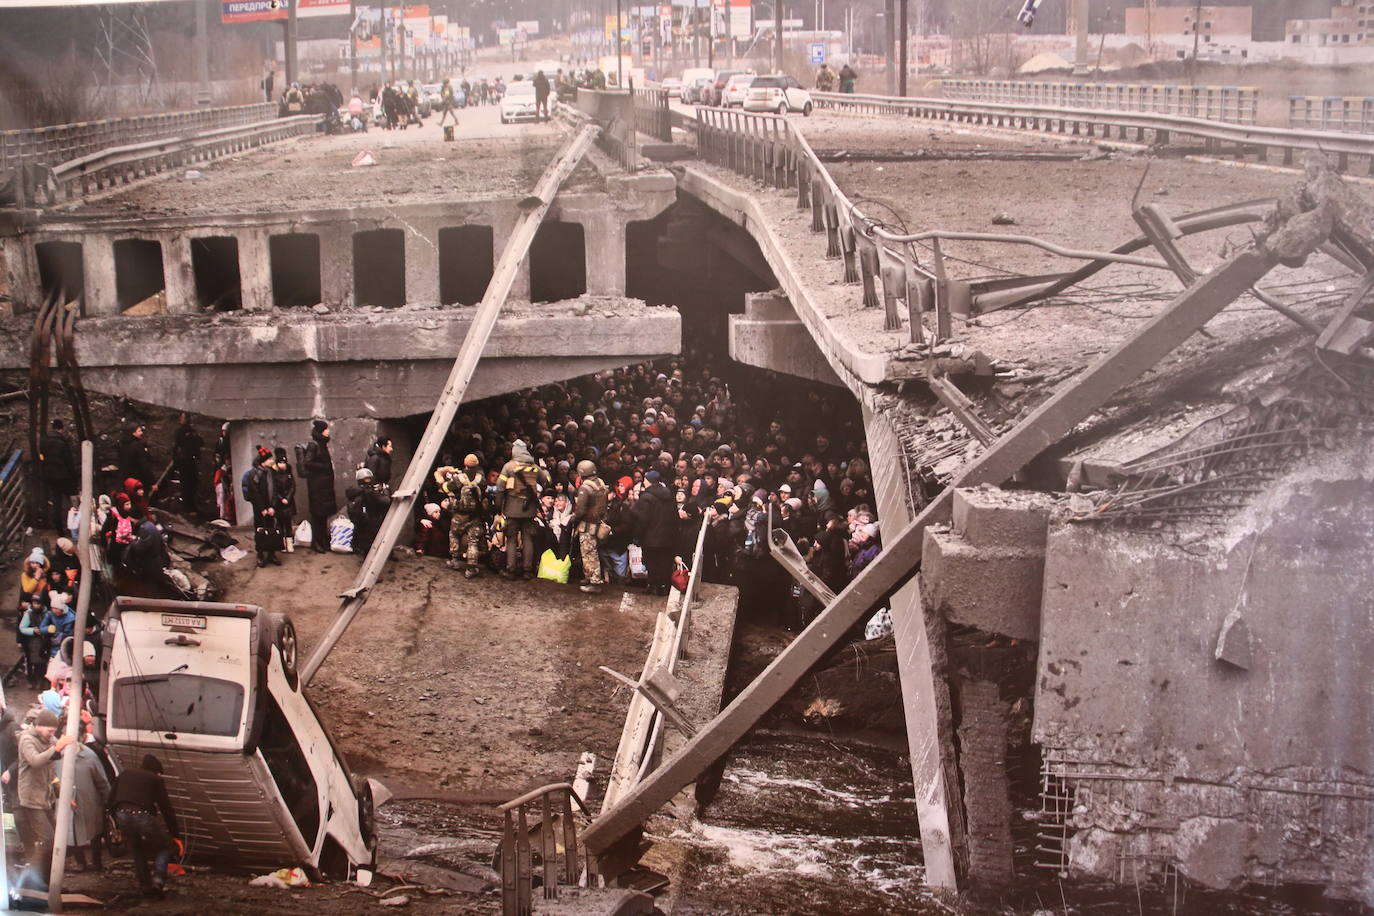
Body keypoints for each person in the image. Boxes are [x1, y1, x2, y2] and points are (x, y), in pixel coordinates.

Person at [109, 754, 181, 896]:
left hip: (121, 813)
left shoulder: (125, 774)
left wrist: (114, 825)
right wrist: (175, 834)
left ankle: (145, 885)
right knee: (165, 846)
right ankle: (158, 880)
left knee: (136, 847)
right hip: (142, 815)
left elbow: (110, 799)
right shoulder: (155, 779)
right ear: (156, 770)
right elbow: (166, 808)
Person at [17, 708, 74, 880]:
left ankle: (47, 881)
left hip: (45, 798)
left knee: (55, 840)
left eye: (54, 732)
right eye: (50, 731)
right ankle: (30, 877)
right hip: (32, 800)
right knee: (48, 840)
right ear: (39, 726)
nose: (52, 735)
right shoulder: (26, 739)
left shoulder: (46, 739)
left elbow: (51, 774)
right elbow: (35, 761)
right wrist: (55, 748)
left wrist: (62, 794)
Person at [496, 440, 550, 579]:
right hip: (529, 509)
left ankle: (511, 570)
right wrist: (544, 469)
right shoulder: (534, 467)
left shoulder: (508, 467)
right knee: (528, 539)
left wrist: (498, 507)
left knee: (512, 539)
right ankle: (527, 571)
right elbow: (546, 480)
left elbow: (500, 488)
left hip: (511, 508)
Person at [64, 717, 110, 872]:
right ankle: (80, 862)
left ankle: (96, 862)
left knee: (95, 831)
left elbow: (102, 781)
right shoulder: (58, 756)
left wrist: (107, 800)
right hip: (71, 802)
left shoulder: (90, 756)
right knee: (74, 831)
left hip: (91, 802)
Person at [441, 455, 487, 578]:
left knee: (454, 535)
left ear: (465, 464)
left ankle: (455, 561)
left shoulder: (459, 478)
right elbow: (484, 493)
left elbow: (445, 487)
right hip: (475, 515)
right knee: (473, 541)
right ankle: (471, 568)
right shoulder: (481, 479)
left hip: (459, 514)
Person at [634, 470, 677, 596]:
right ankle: (662, 587)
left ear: (648, 481)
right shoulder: (669, 495)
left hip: (651, 537)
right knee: (664, 563)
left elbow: (642, 519)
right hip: (667, 537)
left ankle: (652, 585)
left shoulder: (646, 497)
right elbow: (674, 516)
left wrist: (637, 536)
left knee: (651, 562)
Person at [570, 459, 609, 594]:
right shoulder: (600, 484)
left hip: (587, 524)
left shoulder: (586, 487)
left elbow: (580, 510)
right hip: (598, 523)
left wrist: (572, 520)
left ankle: (594, 582)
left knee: (589, 553)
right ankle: (588, 576)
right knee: (591, 551)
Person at [303, 419, 337, 554]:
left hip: (324, 486)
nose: (328, 431)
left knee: (323, 516)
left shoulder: (322, 444)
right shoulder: (314, 445)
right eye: (326, 429)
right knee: (317, 515)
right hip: (317, 487)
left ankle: (323, 541)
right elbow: (307, 463)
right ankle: (316, 543)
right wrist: (325, 467)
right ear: (321, 431)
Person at [245, 448, 282, 567]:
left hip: (271, 508)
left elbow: (275, 490)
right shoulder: (254, 474)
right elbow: (254, 493)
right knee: (260, 530)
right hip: (259, 509)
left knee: (271, 529)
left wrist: (272, 507)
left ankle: (271, 553)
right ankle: (260, 554)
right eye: (269, 459)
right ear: (263, 461)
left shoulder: (272, 472)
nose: (272, 461)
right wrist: (262, 509)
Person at [38, 419, 76, 532]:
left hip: (50, 476)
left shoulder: (43, 442)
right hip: (64, 476)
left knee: (56, 501)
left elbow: (42, 459)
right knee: (72, 500)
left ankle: (59, 528)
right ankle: (74, 524)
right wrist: (74, 477)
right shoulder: (62, 443)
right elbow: (69, 462)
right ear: (62, 429)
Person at [345, 467, 390, 556]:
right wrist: (385, 491)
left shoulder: (358, 491)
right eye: (367, 479)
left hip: (362, 521)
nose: (369, 481)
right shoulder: (367, 492)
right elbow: (385, 501)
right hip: (369, 520)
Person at [171, 412, 203, 516]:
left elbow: (199, 442)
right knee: (186, 484)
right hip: (183, 461)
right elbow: (178, 444)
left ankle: (192, 504)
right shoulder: (180, 432)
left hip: (191, 460)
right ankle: (187, 506)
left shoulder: (192, 431)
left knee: (193, 482)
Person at [271, 447, 297, 552]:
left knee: (288, 524)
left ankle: (290, 544)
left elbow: (293, 486)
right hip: (279, 503)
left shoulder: (289, 473)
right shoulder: (273, 474)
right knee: (280, 524)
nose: (283, 464)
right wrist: (281, 499)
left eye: (284, 462)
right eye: (280, 462)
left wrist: (288, 498)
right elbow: (274, 489)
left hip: (289, 503)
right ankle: (282, 544)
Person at [118, 425, 156, 497]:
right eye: (139, 431)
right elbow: (144, 465)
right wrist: (152, 481)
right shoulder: (138, 446)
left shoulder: (122, 446)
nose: (141, 433)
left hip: (127, 480)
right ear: (133, 433)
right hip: (139, 480)